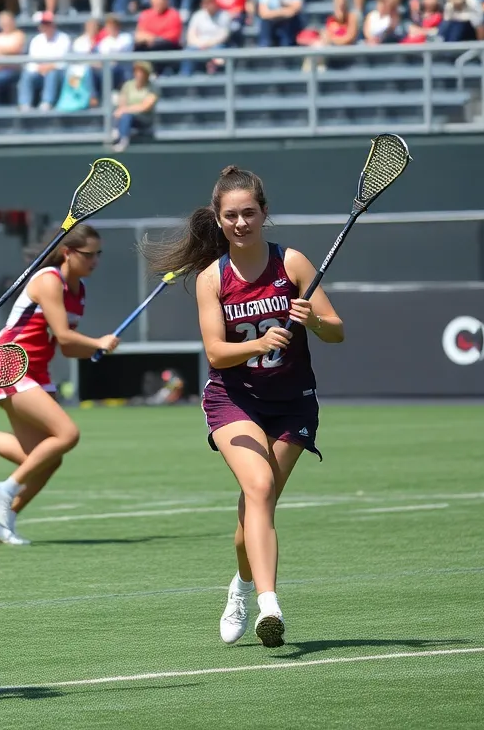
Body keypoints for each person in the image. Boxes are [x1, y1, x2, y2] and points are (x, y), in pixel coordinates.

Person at [143, 166, 344, 648]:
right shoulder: (213, 278)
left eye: (248, 213)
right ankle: (268, 605)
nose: (240, 223)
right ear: (218, 219)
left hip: (293, 402)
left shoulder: (292, 263)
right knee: (258, 485)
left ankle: (241, 583)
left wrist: (311, 317)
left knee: (257, 507)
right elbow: (215, 352)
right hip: (235, 399)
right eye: (230, 215)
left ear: (264, 213)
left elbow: (337, 330)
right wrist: (258, 345)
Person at [0, 224, 119, 546]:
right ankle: (5, 487)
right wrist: (97, 341)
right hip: (7, 363)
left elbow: (69, 348)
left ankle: (1, 520)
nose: (95, 261)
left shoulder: (79, 291)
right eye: (89, 254)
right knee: (67, 434)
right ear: (68, 252)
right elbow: (64, 335)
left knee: (45, 457)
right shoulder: (49, 281)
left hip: (38, 370)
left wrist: (97, 348)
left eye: (99, 254)